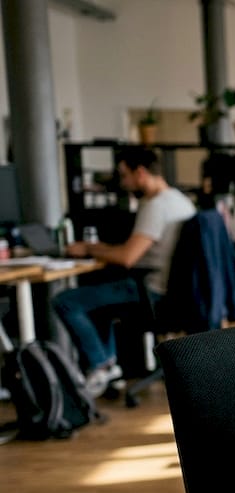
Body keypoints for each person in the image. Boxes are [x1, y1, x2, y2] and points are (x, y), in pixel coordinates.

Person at [53, 146, 195, 397]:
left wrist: (87, 247)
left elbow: (127, 257)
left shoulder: (156, 206)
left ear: (140, 173)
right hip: (176, 292)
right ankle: (108, 368)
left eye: (124, 175)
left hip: (151, 290)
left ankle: (101, 365)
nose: (122, 182)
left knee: (66, 301)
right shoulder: (181, 200)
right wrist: (100, 248)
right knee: (98, 303)